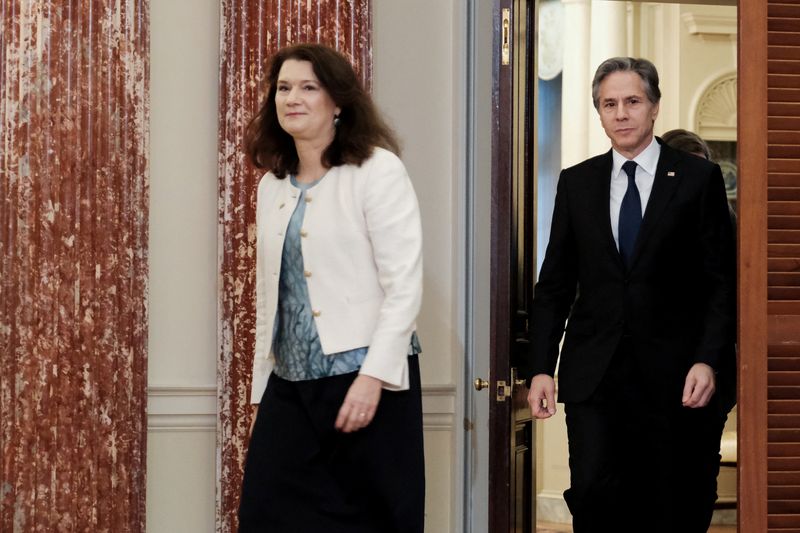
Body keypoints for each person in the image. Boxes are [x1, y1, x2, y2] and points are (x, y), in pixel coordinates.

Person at [523, 58, 736, 533]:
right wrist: (540, 366)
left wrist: (708, 359)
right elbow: (555, 284)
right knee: (596, 500)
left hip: (675, 378)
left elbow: (720, 282)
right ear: (599, 113)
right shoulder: (577, 183)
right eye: (609, 104)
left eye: (632, 102)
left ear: (654, 107)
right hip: (594, 377)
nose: (621, 114)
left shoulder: (697, 180)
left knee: (666, 505)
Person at [238, 43, 424, 533]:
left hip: (366, 379)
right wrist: (262, 395)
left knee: (371, 518)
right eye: (282, 88)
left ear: (338, 101)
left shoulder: (377, 170)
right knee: (265, 514)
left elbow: (403, 285)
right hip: (291, 385)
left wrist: (373, 377)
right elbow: (271, 299)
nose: (291, 98)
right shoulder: (272, 185)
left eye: (308, 87)